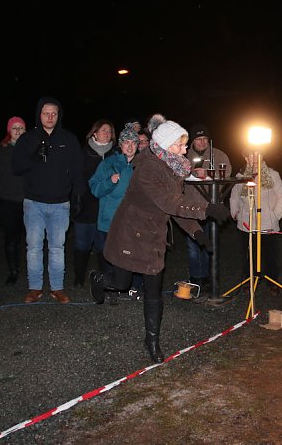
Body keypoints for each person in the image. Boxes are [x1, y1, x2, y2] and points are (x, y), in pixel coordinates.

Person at [89, 116, 230, 363]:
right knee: (121, 283)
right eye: (180, 144)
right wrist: (207, 209)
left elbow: (174, 209)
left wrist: (197, 233)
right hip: (129, 235)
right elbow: (170, 202)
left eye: (185, 144)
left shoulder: (173, 169)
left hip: (153, 238)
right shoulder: (148, 168)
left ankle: (152, 341)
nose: (185, 149)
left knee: (154, 290)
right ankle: (99, 280)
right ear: (165, 146)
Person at [12, 96, 85, 304]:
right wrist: (33, 156)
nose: (50, 116)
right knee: (33, 247)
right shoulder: (28, 139)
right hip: (34, 203)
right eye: (46, 113)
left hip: (61, 204)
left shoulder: (69, 139)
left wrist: (79, 195)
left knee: (57, 247)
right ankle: (35, 288)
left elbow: (77, 170)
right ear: (39, 114)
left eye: (54, 113)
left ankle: (57, 288)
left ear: (58, 115)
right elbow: (16, 167)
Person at [89, 123, 143, 299]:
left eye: (133, 142)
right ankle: (108, 288)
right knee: (110, 257)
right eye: (126, 142)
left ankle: (134, 288)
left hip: (133, 221)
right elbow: (95, 188)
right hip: (109, 221)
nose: (129, 146)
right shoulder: (108, 163)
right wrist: (110, 182)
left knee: (134, 255)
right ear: (120, 144)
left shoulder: (142, 166)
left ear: (137, 145)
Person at [229, 149, 282, 293]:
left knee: (270, 254)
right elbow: (235, 197)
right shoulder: (241, 177)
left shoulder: (273, 175)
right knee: (249, 254)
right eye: (250, 154)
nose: (254, 158)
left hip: (267, 223)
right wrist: (236, 213)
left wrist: (275, 215)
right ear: (245, 157)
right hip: (247, 223)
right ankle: (250, 279)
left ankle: (272, 281)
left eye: (257, 154)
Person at [184, 123, 233, 289]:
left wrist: (208, 174)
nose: (202, 142)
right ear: (193, 140)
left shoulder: (218, 155)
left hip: (211, 206)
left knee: (209, 243)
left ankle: (207, 277)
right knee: (192, 244)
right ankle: (195, 276)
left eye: (205, 138)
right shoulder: (184, 154)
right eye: (198, 139)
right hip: (190, 206)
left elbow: (226, 174)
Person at [73, 119, 115, 287]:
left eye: (110, 131)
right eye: (103, 130)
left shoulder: (116, 154)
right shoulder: (84, 153)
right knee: (82, 243)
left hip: (106, 208)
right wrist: (82, 196)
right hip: (85, 205)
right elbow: (76, 177)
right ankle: (79, 277)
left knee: (103, 245)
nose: (107, 133)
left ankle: (104, 278)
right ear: (95, 133)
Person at [0, 116, 27, 285]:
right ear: (9, 131)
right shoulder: (0, 151)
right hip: (8, 200)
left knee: (32, 239)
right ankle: (13, 271)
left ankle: (33, 270)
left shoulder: (31, 150)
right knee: (11, 238)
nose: (18, 131)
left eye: (21, 128)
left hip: (29, 201)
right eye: (15, 128)